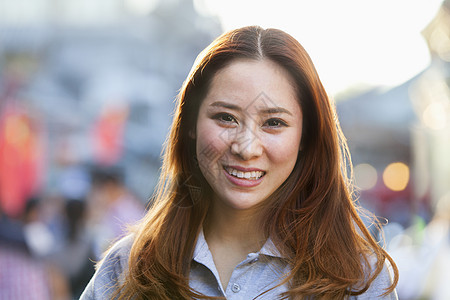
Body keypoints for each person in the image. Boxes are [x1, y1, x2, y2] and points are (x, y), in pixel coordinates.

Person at [81, 25, 399, 299]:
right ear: (190, 124)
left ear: (307, 136)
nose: (246, 148)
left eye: (273, 122)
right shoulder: (129, 268)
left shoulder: (358, 276)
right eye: (225, 117)